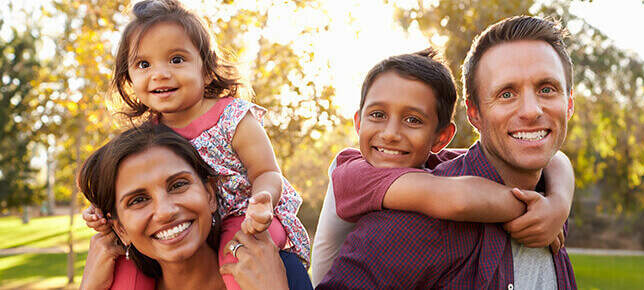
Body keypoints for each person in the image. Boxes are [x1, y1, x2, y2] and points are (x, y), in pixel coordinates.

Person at [318, 15, 577, 289]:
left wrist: (557, 204)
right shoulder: (409, 223)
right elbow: (458, 200)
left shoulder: (548, 201)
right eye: (506, 94)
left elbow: (559, 159)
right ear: (474, 113)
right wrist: (533, 206)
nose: (530, 111)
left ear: (569, 104)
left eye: (547, 89)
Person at [81, 0, 310, 289]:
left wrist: (263, 199)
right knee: (125, 269)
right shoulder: (148, 136)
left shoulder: (233, 117)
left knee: (238, 262)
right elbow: (118, 191)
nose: (160, 73)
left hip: (246, 218)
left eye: (176, 59)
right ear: (129, 79)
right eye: (143, 64)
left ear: (206, 69)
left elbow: (266, 171)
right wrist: (98, 213)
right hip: (190, 231)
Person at [78, 124, 312, 289]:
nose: (165, 211)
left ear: (210, 194)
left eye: (178, 185)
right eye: (138, 200)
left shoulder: (279, 272)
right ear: (121, 229)